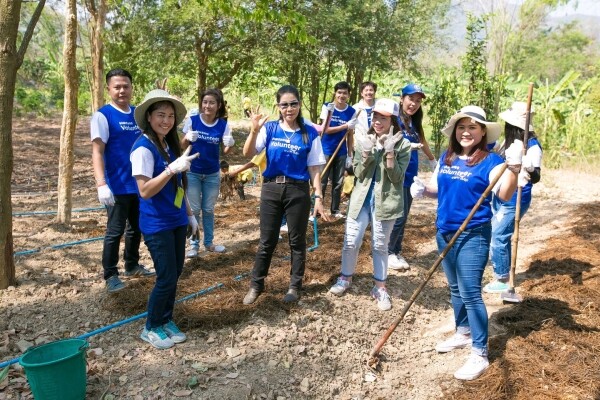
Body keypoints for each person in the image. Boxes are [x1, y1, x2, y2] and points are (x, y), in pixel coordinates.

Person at [410, 105, 523, 380]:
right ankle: (462, 332)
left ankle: (479, 353)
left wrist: (515, 168)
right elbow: (442, 190)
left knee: (470, 292)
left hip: (472, 234)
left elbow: (505, 195)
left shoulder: (492, 162)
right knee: (455, 288)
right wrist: (425, 190)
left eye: (473, 127)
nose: (466, 132)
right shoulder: (447, 157)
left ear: (483, 131)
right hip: (444, 231)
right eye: (462, 127)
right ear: (455, 131)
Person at [242, 84, 329, 305]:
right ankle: (256, 285)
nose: (289, 109)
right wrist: (253, 130)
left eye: (293, 104)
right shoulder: (269, 129)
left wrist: (318, 196)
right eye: (284, 105)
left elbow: (314, 169)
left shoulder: (309, 133)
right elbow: (248, 153)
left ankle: (294, 286)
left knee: (297, 241)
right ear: (278, 107)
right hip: (271, 188)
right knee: (267, 240)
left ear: (299, 105)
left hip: (298, 190)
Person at [130, 89, 200, 349]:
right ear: (149, 117)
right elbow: (145, 190)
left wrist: (190, 215)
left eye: (171, 116)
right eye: (161, 115)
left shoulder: (168, 144)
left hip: (176, 220)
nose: (166, 121)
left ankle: (165, 319)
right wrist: (171, 169)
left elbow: (178, 186)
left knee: (176, 272)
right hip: (156, 223)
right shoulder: (142, 149)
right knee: (166, 276)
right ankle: (151, 326)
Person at [328, 99, 411, 311]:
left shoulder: (403, 144)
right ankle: (345, 278)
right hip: (361, 200)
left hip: (386, 201)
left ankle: (380, 288)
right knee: (351, 241)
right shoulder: (364, 139)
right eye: (375, 116)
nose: (377, 121)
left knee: (380, 245)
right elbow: (358, 173)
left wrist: (389, 152)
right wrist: (365, 152)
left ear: (392, 119)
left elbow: (397, 177)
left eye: (383, 117)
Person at [90, 68, 155, 293]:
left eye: (125, 86)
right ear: (108, 88)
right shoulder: (103, 115)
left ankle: (132, 264)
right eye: (116, 86)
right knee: (115, 230)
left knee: (136, 228)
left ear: (131, 88)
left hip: (139, 183)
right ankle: (110, 274)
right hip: (116, 185)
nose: (121, 91)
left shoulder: (138, 114)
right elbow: (97, 152)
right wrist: (101, 184)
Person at [484, 102, 543, 293]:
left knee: (498, 235)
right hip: (501, 193)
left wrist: (529, 168)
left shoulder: (532, 148)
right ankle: (503, 270)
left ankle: (501, 278)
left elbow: (536, 177)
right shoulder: (508, 143)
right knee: (501, 234)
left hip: (516, 197)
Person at [388, 84, 438, 271]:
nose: (414, 104)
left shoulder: (413, 122)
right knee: (397, 215)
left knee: (404, 214)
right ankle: (388, 252)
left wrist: (433, 161)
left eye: (418, 101)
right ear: (402, 99)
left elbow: (422, 141)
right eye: (411, 99)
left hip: (411, 175)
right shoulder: (394, 120)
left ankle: (396, 250)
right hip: (396, 174)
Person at [181, 88, 235, 257]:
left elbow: (226, 150)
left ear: (218, 105)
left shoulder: (222, 125)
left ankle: (209, 243)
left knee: (209, 209)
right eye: (205, 102)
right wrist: (187, 137)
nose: (207, 106)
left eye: (212, 102)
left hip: (212, 173)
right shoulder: (193, 121)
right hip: (193, 172)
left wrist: (230, 143)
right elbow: (182, 146)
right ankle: (194, 245)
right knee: (194, 209)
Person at [319, 81, 357, 218]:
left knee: (338, 182)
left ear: (348, 95)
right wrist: (345, 125)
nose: (342, 95)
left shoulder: (352, 112)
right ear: (335, 93)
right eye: (339, 92)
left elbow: (350, 135)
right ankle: (318, 209)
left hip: (340, 151)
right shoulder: (328, 107)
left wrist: (349, 154)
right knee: (322, 181)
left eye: (345, 93)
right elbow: (325, 130)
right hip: (326, 149)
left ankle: (334, 210)